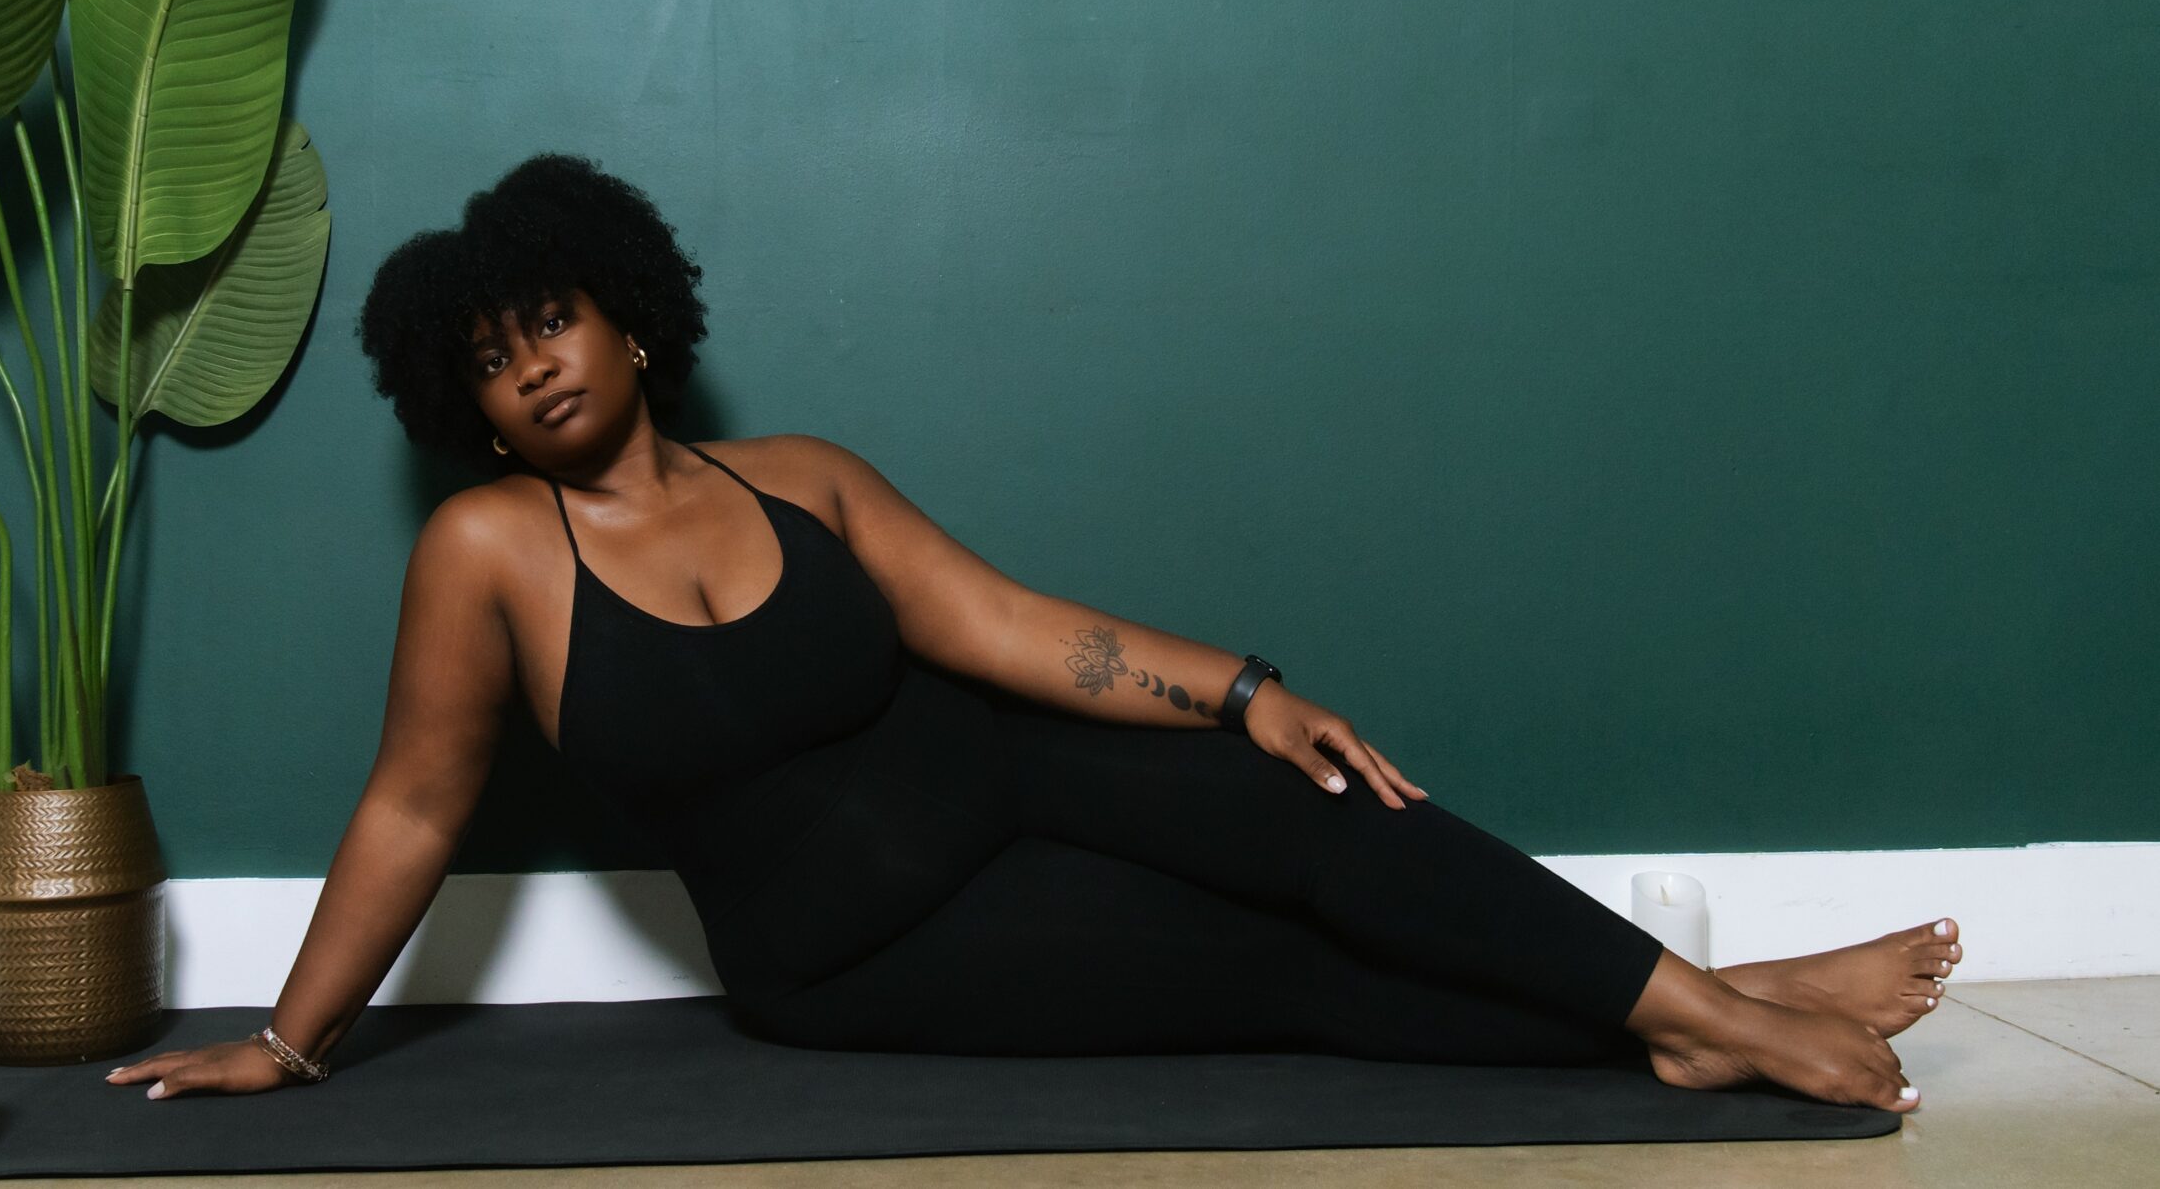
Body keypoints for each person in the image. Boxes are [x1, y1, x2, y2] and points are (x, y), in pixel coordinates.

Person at [106, 153, 1954, 1110]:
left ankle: (1708, 1007)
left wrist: (1242, 690)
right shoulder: (491, 551)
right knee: (1275, 973)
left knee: (1310, 803)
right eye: (492, 361)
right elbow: (417, 801)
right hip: (854, 952)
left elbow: (1002, 624)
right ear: (476, 413)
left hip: (1010, 789)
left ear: (630, 318)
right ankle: (1701, 1019)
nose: (531, 366)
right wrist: (292, 1039)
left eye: (551, 321)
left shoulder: (801, 478)